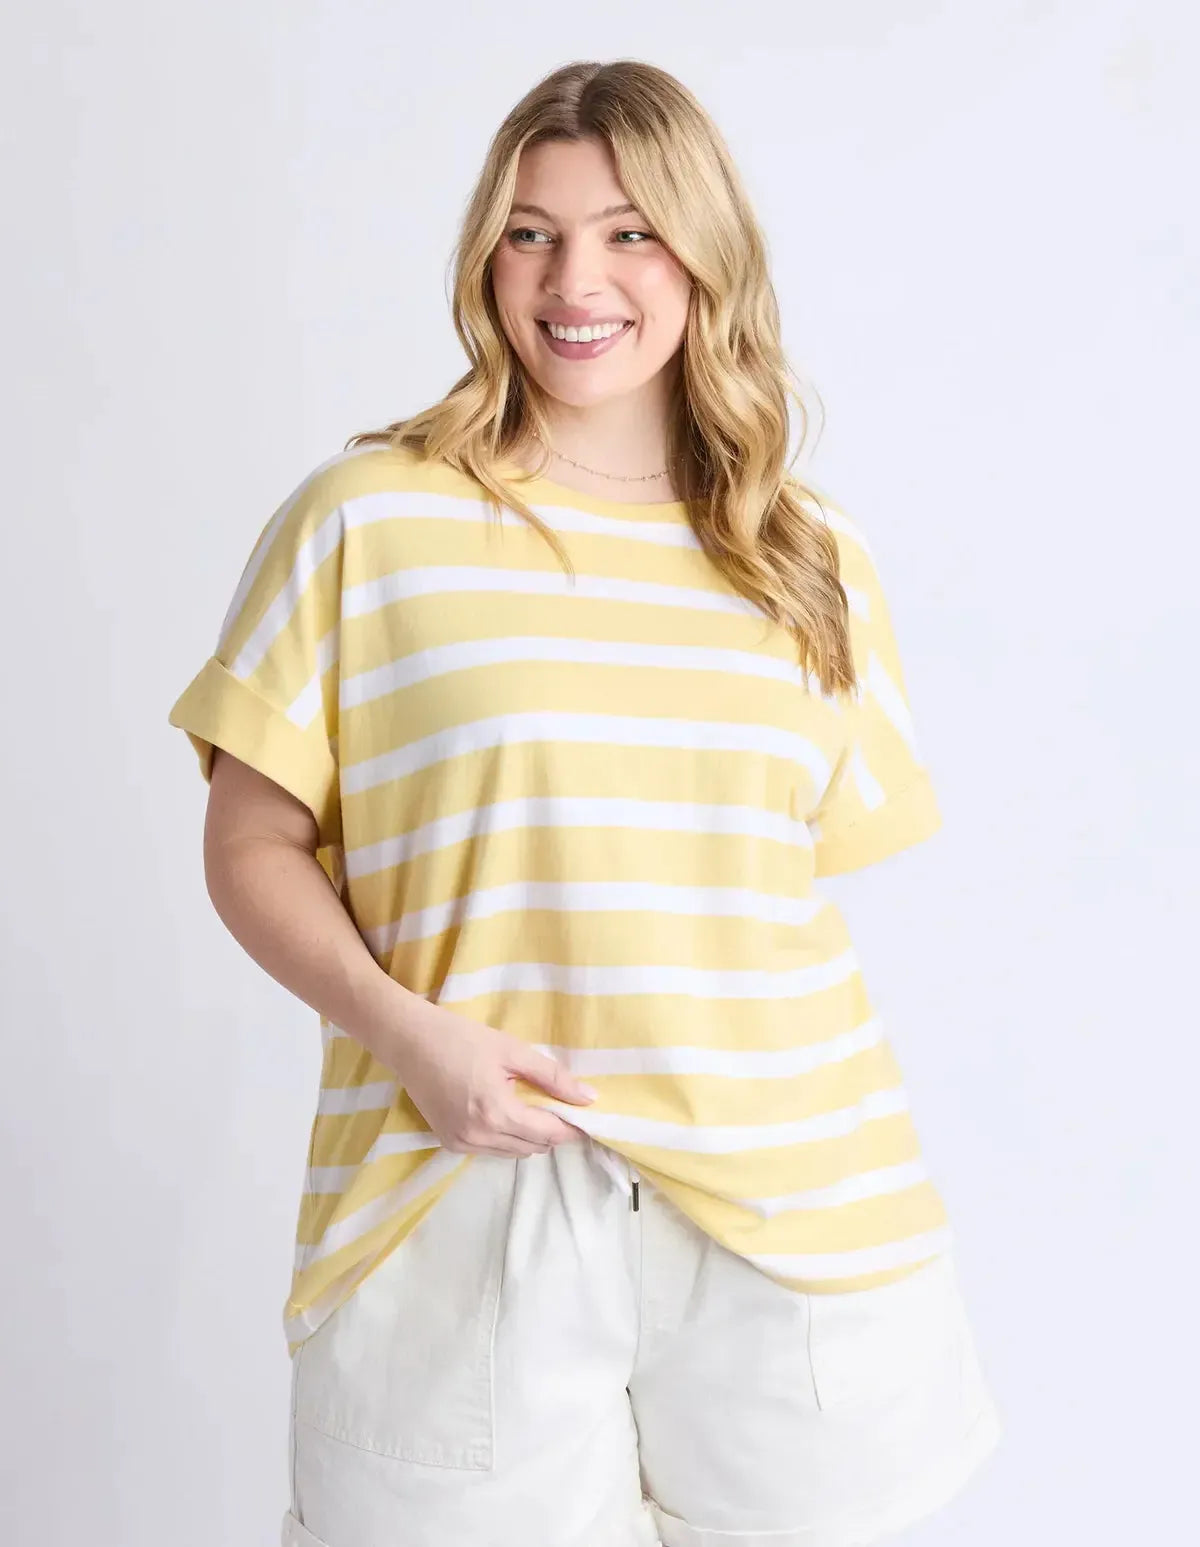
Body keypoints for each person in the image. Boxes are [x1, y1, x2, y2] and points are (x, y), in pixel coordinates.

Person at [168, 57, 1002, 1547]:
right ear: (484, 258)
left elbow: (778, 895)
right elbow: (249, 844)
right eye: (530, 233)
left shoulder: (808, 555)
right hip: (458, 1191)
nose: (575, 280)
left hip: (802, 1219)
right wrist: (409, 1034)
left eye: (630, 233)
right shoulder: (368, 519)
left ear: (705, 258)